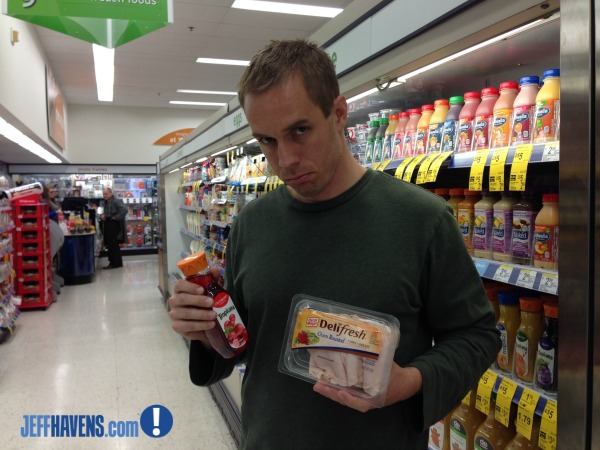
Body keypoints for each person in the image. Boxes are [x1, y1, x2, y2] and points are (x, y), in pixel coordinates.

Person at [168, 40, 501, 449]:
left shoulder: (422, 220)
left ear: (338, 113)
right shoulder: (252, 224)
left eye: (300, 131)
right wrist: (205, 329)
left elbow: (476, 335)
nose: (285, 159)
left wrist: (410, 381)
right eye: (267, 141)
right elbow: (240, 344)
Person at [99, 187, 127, 269]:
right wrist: (102, 216)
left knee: (113, 244)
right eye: (103, 194)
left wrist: (116, 217)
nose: (105, 195)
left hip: (113, 224)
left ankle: (114, 263)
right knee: (111, 244)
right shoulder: (105, 202)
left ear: (111, 193)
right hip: (108, 223)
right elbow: (101, 212)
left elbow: (124, 210)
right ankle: (117, 262)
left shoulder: (115, 201)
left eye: (106, 194)